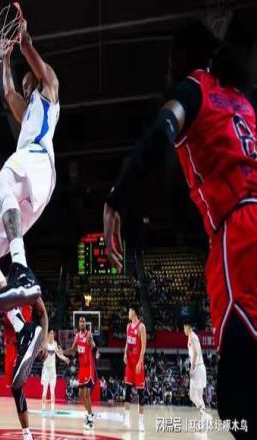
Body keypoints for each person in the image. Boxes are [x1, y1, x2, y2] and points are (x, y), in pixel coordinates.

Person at [103, 20, 256, 438]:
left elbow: (161, 131)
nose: (169, 68)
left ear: (185, 57)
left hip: (242, 233)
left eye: (172, 59)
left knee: (239, 398)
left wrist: (117, 196)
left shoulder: (194, 88)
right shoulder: (243, 99)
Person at [0, 18, 60, 315]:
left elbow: (30, 52)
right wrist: (6, 59)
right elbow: (9, 93)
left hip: (38, 162)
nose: (24, 90)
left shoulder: (49, 92)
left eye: (27, 85)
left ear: (36, 80)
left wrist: (22, 40)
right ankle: (23, 328)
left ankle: (21, 269)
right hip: (30, 184)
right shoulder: (27, 112)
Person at [3, 300, 48, 440]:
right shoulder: (4, 292)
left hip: (25, 343)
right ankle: (26, 433)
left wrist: (44, 341)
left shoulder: (31, 292)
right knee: (15, 389)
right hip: (10, 343)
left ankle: (27, 433)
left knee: (17, 388)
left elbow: (43, 313)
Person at [63, 316, 99, 430]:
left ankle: (90, 420)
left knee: (87, 393)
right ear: (78, 324)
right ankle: (90, 413)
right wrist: (62, 351)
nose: (81, 323)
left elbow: (94, 346)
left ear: (85, 323)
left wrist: (95, 350)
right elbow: (72, 350)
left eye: (83, 322)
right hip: (82, 369)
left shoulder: (89, 334)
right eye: (80, 322)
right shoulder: (77, 336)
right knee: (80, 394)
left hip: (89, 367)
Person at [123, 306, 146, 431]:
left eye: (129, 311)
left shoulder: (141, 327)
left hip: (138, 364)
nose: (128, 313)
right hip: (129, 363)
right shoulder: (128, 326)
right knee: (127, 390)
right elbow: (127, 342)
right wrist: (125, 353)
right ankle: (126, 417)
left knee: (141, 393)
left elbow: (143, 347)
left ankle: (141, 422)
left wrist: (140, 362)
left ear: (134, 312)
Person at [184, 322, 211, 421]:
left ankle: (204, 413)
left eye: (184, 328)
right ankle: (204, 416)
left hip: (197, 368)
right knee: (199, 396)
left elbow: (196, 353)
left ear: (188, 327)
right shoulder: (193, 336)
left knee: (193, 395)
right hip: (200, 367)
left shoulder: (192, 336)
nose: (184, 330)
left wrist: (192, 368)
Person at [41, 329, 69, 416]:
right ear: (48, 335)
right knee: (45, 391)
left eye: (53, 334)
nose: (52, 335)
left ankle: (52, 410)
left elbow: (59, 354)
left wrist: (65, 358)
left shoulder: (55, 344)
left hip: (53, 370)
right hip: (46, 370)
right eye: (51, 334)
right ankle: (43, 409)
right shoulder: (45, 344)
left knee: (52, 391)